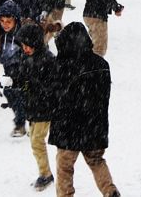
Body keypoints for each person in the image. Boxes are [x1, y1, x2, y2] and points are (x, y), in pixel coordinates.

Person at [0, 0, 61, 136]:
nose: (5, 25)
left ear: (15, 19)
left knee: (25, 91)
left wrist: (55, 27)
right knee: (10, 92)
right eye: (2, 21)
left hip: (25, 64)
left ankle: (25, 123)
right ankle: (23, 118)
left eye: (8, 21)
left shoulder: (24, 25)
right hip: (8, 64)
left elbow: (41, 27)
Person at [49, 22, 121, 197]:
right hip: (95, 125)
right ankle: (109, 190)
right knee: (96, 161)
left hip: (68, 127)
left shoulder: (63, 66)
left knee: (65, 167)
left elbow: (56, 96)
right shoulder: (102, 64)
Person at [16, 23, 56, 191]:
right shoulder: (26, 58)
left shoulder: (47, 59)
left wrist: (32, 86)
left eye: (27, 45)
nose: (25, 49)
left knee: (37, 141)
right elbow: (24, 81)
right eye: (23, 46)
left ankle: (46, 174)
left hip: (45, 108)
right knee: (35, 141)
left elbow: (51, 87)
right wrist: (19, 87)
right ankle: (45, 172)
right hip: (33, 107)